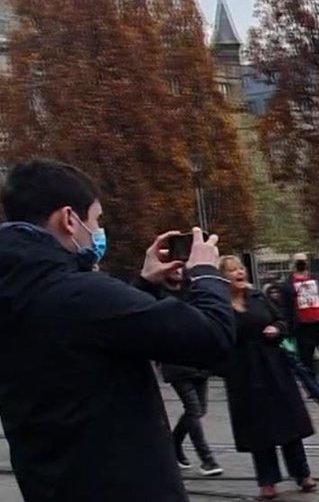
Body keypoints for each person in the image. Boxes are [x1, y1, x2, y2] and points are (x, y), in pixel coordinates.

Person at [0, 159, 234, 502]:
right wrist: (206, 273)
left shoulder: (18, 291)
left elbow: (90, 343)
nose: (97, 231)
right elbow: (212, 337)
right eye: (95, 220)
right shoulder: (79, 294)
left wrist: (143, 284)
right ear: (69, 219)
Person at [219, 256, 316, 500]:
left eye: (240, 268)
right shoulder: (218, 305)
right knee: (258, 427)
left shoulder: (258, 298)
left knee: (288, 421)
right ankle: (267, 480)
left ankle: (302, 473)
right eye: (232, 271)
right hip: (243, 372)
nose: (239, 273)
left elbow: (282, 321)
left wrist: (277, 329)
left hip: (273, 366)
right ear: (222, 278)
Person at [156, 267, 223, 477]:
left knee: (198, 410)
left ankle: (173, 444)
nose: (177, 271)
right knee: (193, 409)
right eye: (172, 268)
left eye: (179, 268)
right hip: (175, 361)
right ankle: (208, 460)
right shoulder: (158, 295)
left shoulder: (190, 290)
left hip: (198, 360)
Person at [278, 253, 319, 395]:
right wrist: (288, 326)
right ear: (293, 263)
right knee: (306, 359)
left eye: (303, 261)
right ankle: (313, 386)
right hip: (302, 327)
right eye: (298, 261)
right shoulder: (287, 285)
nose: (301, 263)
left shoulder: (318, 279)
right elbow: (286, 307)